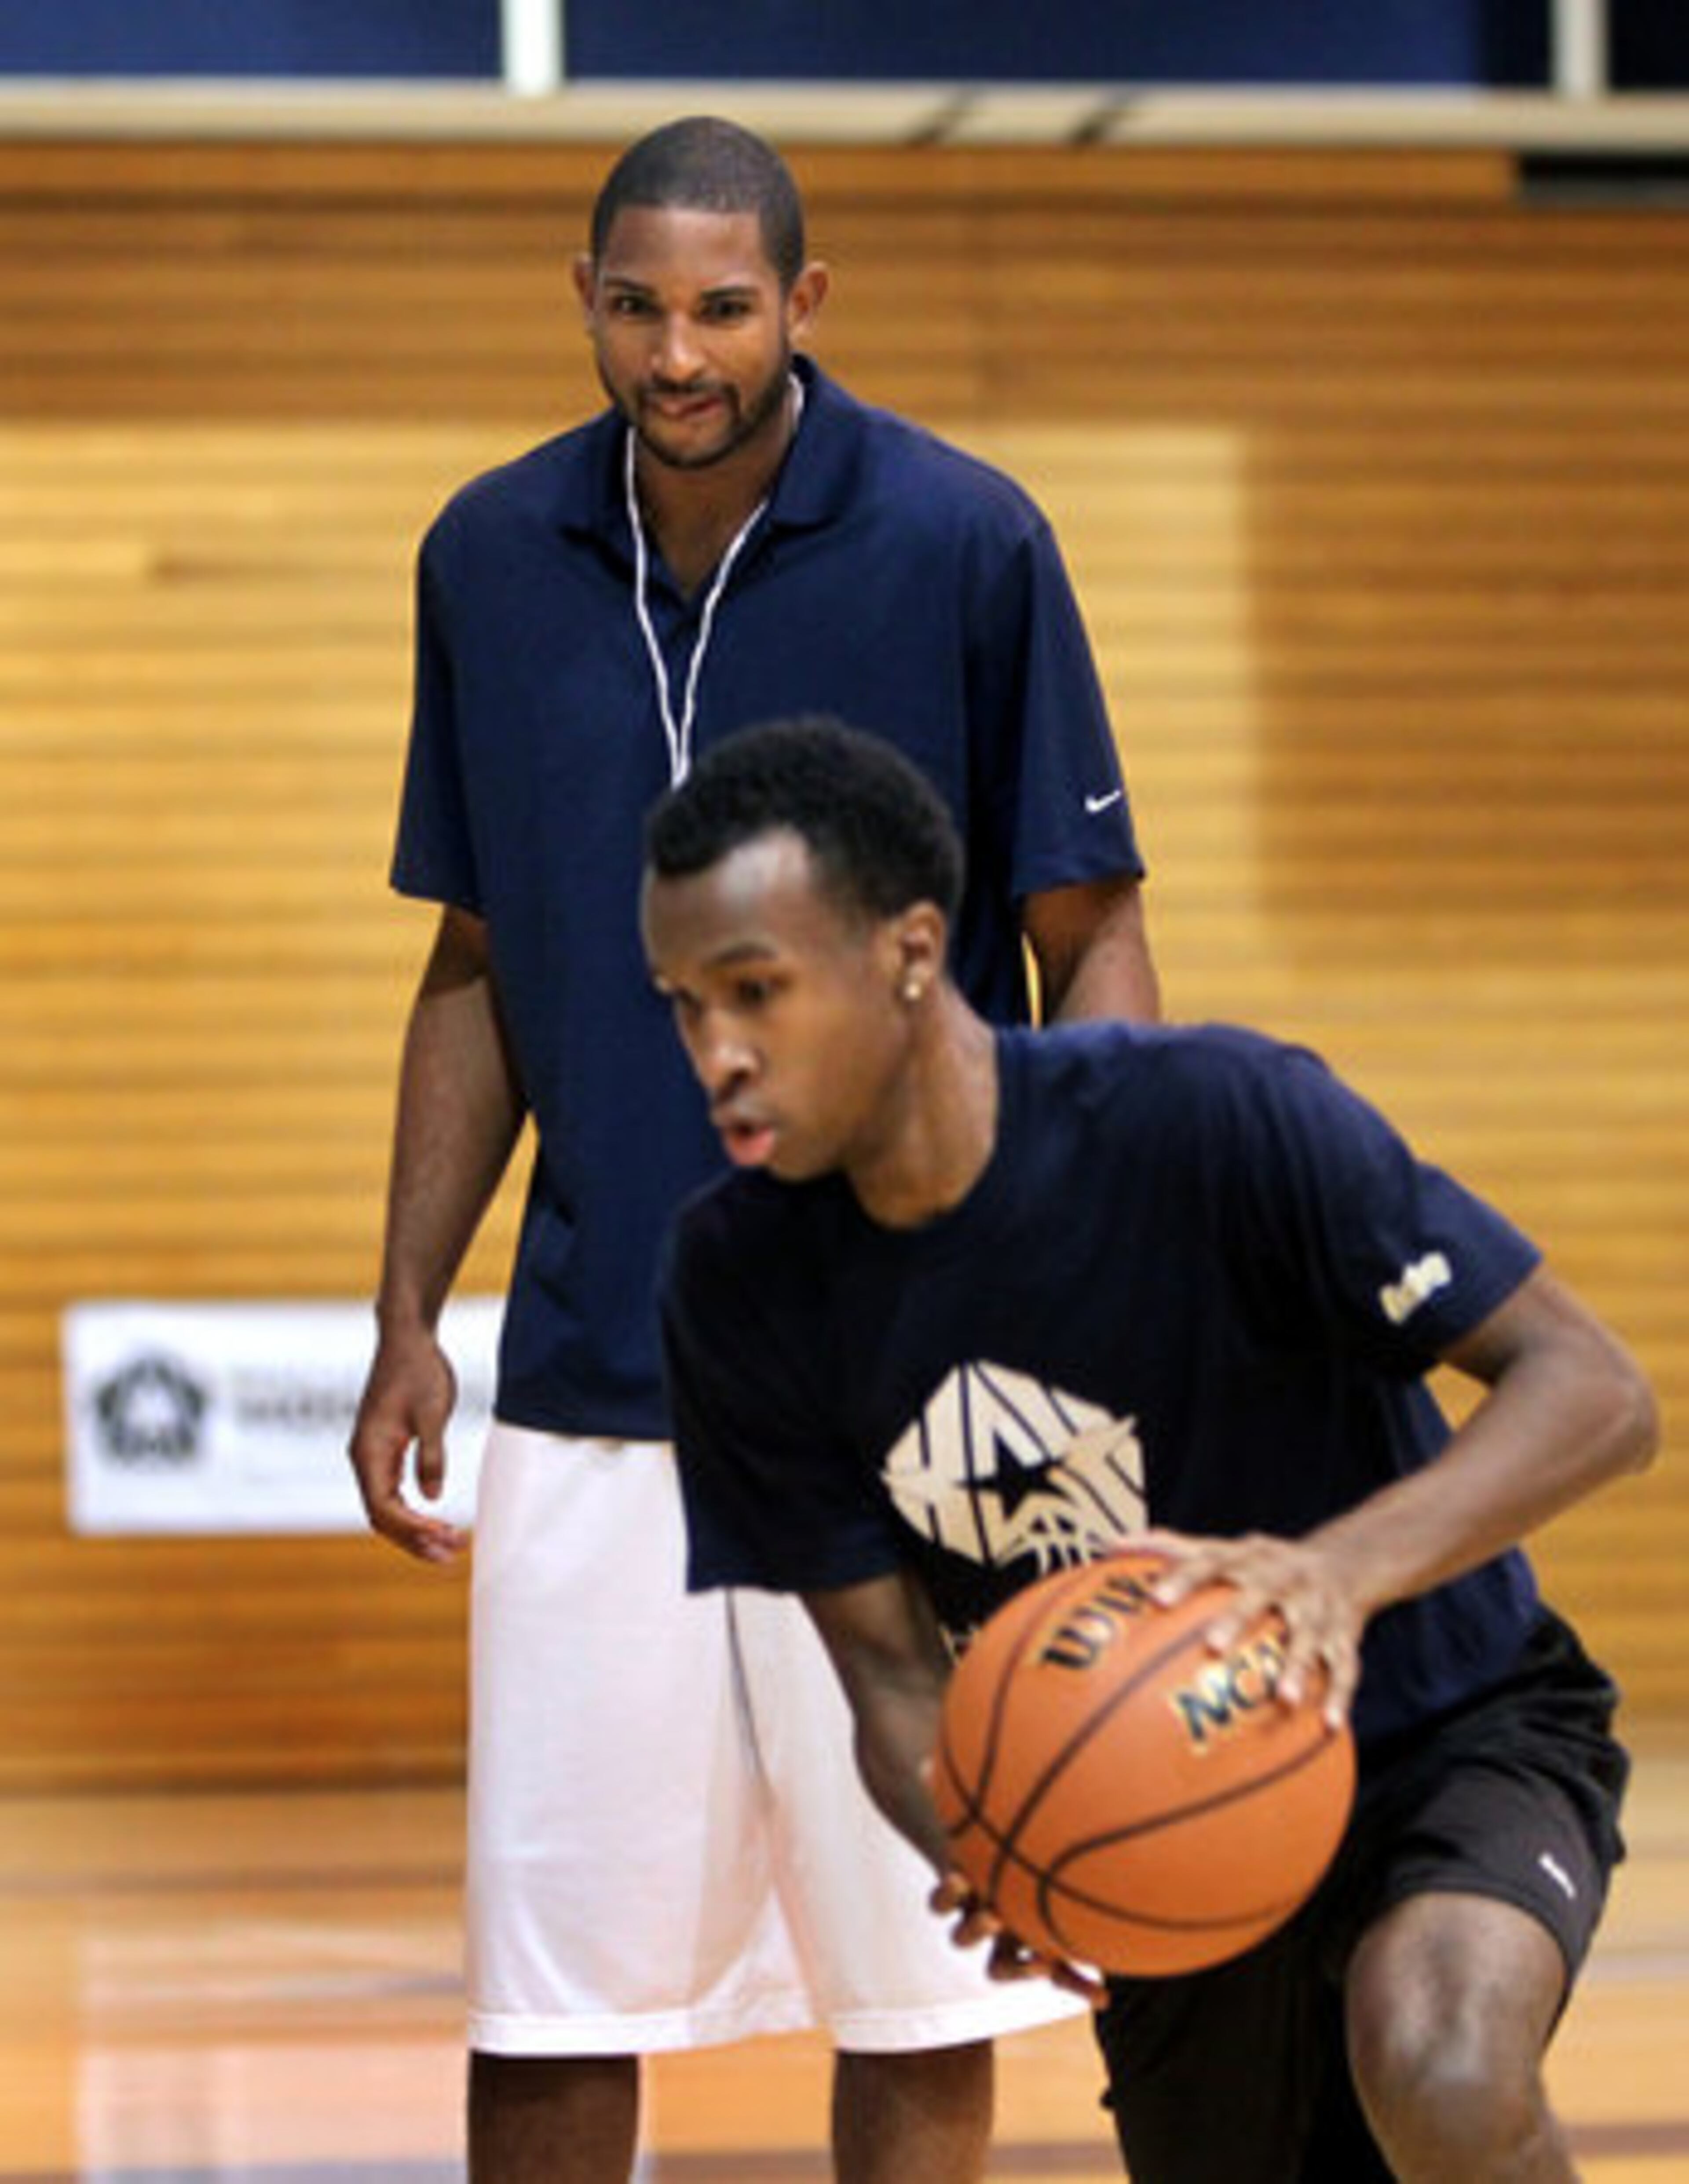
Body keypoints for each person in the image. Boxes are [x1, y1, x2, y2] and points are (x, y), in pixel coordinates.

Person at [346, 116, 1159, 2182]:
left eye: (723, 307)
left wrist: (1084, 1274)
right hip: (602, 1384)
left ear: (805, 302)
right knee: (550, 2001)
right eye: (636, 307)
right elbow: (478, 958)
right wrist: (407, 1310)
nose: (677, 352)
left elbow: (1092, 936)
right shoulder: (485, 554)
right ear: (587, 300)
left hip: (912, 1388)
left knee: (919, 1990)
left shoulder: (969, 542)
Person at [644, 716, 1660, 2184]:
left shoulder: (1213, 1122)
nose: (717, 1055)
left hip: (1445, 1725)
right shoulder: (735, 1286)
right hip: (1165, 1811)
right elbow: (889, 1673)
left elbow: (1595, 1391)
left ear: (911, 952)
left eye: (756, 992)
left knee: (1439, 2064)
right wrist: (990, 1841)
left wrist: (1331, 1577)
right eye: (684, 1006)